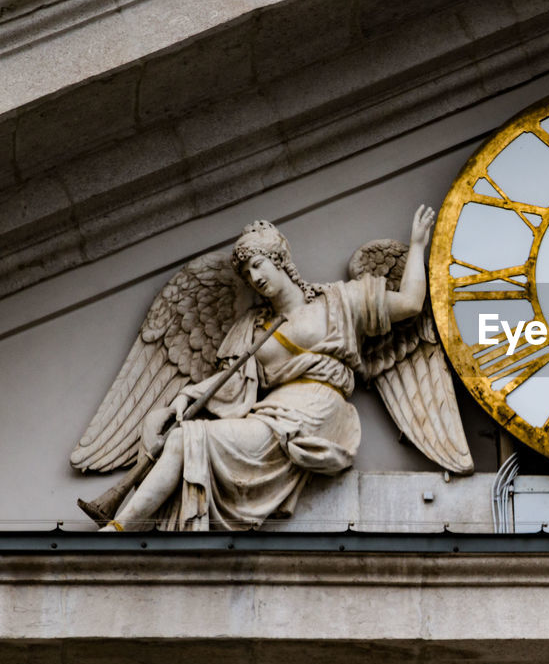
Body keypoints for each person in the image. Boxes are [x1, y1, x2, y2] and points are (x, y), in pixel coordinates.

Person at [104, 207, 434, 531]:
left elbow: (410, 303)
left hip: (316, 415)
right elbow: (230, 382)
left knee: (186, 442)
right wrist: (185, 397)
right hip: (272, 415)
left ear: (280, 261)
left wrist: (418, 245)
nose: (255, 278)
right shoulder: (254, 329)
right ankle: (120, 528)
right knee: (181, 438)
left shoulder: (340, 301)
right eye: (247, 274)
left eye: (258, 265)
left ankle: (119, 530)